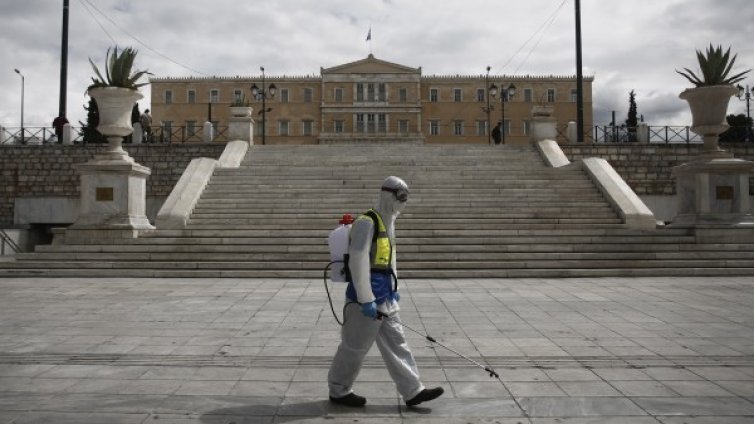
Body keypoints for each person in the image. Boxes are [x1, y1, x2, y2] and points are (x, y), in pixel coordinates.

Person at [328, 176, 444, 408]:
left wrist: (394, 289)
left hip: (386, 297)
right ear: (388, 195)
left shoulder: (388, 222)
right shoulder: (366, 222)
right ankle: (339, 390)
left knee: (397, 342)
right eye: (400, 197)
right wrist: (366, 299)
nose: (403, 203)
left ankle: (413, 390)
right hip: (365, 300)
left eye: (405, 198)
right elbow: (358, 260)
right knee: (354, 347)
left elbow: (389, 261)